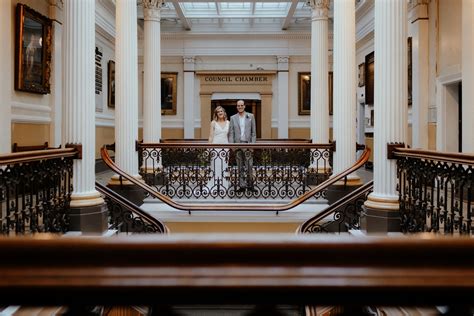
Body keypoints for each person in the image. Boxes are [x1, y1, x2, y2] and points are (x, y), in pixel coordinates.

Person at [228, 100, 257, 193]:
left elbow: (253, 133)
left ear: (244, 106)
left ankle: (250, 185)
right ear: (237, 107)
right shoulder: (233, 118)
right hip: (237, 145)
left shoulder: (251, 116)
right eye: (238, 106)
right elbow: (231, 132)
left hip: (248, 145)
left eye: (241, 105)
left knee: (249, 166)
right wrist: (232, 146)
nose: (240, 107)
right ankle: (242, 186)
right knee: (239, 167)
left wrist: (252, 146)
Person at [208, 106, 230, 191]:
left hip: (225, 146)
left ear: (224, 113)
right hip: (215, 146)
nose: (220, 113)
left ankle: (224, 184)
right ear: (216, 114)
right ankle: (214, 184)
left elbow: (229, 136)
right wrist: (208, 148)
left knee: (224, 166)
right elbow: (210, 136)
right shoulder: (213, 123)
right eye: (218, 112)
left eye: (221, 111)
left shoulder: (229, 123)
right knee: (215, 165)